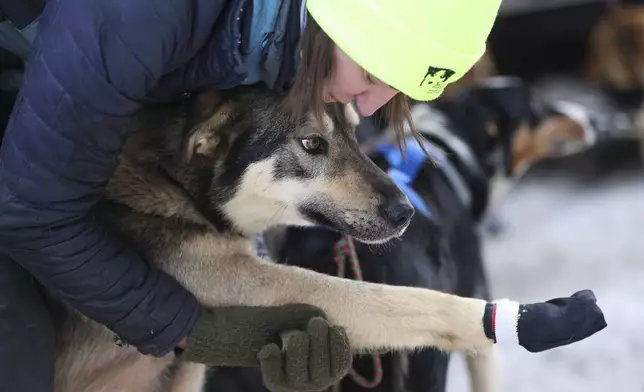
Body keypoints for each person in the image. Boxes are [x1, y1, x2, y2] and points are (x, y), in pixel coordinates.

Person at [0, 0, 503, 391]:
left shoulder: (285, 44)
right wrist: (195, 331)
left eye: (395, 91)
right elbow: (33, 212)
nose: (371, 102)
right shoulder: (145, 16)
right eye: (372, 75)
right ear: (337, 20)